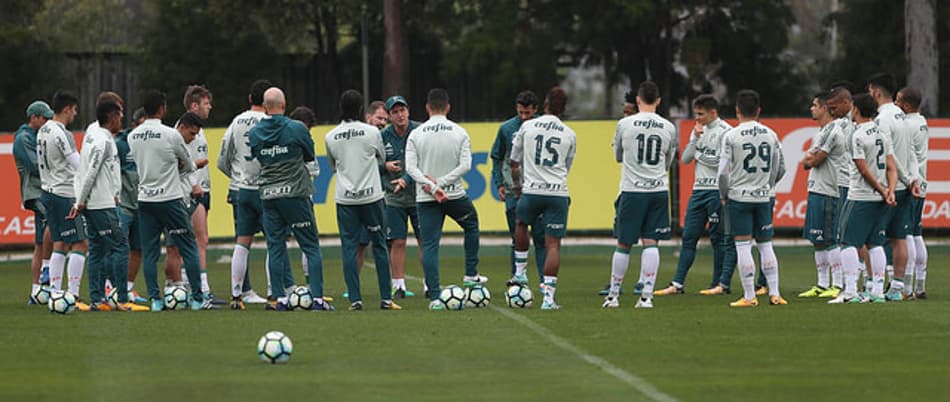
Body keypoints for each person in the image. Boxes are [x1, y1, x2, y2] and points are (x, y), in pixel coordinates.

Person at [250, 87, 333, 311]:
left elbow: (258, 157)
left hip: (268, 195)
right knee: (310, 246)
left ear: (265, 108)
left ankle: (280, 299)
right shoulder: (297, 128)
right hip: (295, 194)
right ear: (284, 105)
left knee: (275, 246)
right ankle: (317, 300)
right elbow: (308, 156)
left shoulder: (255, 133)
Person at [127, 91, 211, 311]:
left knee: (150, 251)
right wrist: (195, 164)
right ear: (162, 109)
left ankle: (155, 300)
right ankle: (197, 299)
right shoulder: (170, 134)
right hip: (170, 199)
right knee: (189, 246)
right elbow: (188, 163)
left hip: (145, 199)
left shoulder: (133, 136)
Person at [405, 88, 487, 310]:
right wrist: (442, 184)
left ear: (427, 108)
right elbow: (466, 166)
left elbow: (410, 168)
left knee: (430, 245)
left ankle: (434, 297)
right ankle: (471, 275)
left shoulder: (416, 133)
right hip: (454, 195)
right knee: (471, 225)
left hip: (426, 197)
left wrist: (432, 186)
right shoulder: (459, 132)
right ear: (448, 107)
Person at [601, 81, 676, 309]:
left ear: (637, 100)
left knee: (624, 243)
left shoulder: (625, 124)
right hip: (658, 190)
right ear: (659, 101)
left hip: (632, 190)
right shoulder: (668, 127)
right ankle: (647, 296)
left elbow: (617, 156)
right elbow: (668, 161)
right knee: (651, 242)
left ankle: (613, 296)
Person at [69, 101, 147, 312]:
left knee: (96, 250)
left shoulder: (93, 134)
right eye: (120, 115)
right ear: (111, 116)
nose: (122, 119)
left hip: (97, 202)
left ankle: (96, 300)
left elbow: (86, 171)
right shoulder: (102, 141)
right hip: (100, 204)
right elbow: (91, 172)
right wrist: (81, 201)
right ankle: (122, 299)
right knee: (121, 246)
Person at [655, 94, 736, 296]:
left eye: (700, 114)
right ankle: (677, 284)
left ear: (712, 112)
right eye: (695, 114)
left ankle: (717, 284)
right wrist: (696, 140)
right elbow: (685, 159)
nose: (697, 118)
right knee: (689, 237)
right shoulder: (698, 130)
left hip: (717, 191)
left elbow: (721, 161)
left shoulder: (727, 132)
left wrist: (698, 151)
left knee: (718, 239)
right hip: (698, 190)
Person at [325, 90, 399, 311]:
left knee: (349, 247)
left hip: (345, 198)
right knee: (379, 246)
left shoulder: (331, 136)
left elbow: (333, 166)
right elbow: (382, 159)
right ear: (360, 110)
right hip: (371, 197)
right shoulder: (371, 132)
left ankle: (355, 300)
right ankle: (386, 299)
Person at [718, 89, 787, 307]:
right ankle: (774, 293)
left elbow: (722, 172)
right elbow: (780, 167)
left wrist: (723, 195)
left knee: (742, 246)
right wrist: (768, 186)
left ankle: (750, 296)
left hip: (739, 197)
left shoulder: (731, 135)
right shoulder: (771, 134)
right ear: (758, 110)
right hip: (763, 197)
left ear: (737, 111)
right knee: (766, 245)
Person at [509, 87, 576, 310]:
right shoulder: (569, 133)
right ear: (563, 110)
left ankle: (519, 272)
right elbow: (566, 167)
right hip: (557, 192)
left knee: (521, 222)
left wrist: (518, 187)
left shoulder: (528, 126)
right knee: (553, 244)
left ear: (545, 105)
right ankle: (548, 299)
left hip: (532, 189)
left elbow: (514, 161)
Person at [828, 93, 897, 304]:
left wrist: (881, 190)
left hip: (860, 196)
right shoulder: (882, 134)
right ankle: (876, 291)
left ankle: (850, 291)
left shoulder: (857, 135)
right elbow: (892, 167)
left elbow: (863, 170)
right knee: (875, 243)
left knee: (847, 242)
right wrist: (890, 191)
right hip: (880, 199)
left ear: (856, 110)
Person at [218, 80, 274, 310]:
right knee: (274, 242)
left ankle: (236, 295)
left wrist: (238, 176)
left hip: (242, 190)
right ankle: (274, 294)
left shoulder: (237, 121)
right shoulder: (271, 122)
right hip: (266, 189)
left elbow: (222, 159)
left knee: (242, 242)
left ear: (251, 98)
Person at [868, 73, 920, 301]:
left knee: (874, 239)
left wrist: (905, 179)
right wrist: (914, 179)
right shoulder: (904, 116)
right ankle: (897, 287)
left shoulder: (881, 119)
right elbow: (912, 153)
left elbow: (891, 157)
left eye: (870, 92)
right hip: (906, 185)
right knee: (900, 237)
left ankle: (875, 287)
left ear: (876, 93)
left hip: (890, 186)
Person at [37, 91, 90, 311]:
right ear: (67, 108)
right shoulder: (61, 133)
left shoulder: (43, 129)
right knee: (80, 243)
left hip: (47, 191)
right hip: (63, 193)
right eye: (75, 110)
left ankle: (55, 293)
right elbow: (76, 164)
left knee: (59, 242)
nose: (75, 115)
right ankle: (73, 295)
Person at [165, 85, 218, 302]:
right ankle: (195, 289)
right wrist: (194, 184)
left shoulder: (199, 129)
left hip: (201, 189)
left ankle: (185, 286)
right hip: (189, 192)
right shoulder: (182, 130)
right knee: (190, 241)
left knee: (197, 240)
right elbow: (181, 162)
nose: (210, 107)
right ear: (194, 105)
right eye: (206, 104)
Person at [490, 90, 546, 288]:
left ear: (536, 110)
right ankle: (517, 279)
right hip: (514, 190)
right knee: (517, 237)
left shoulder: (544, 128)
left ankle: (545, 281)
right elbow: (497, 157)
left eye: (528, 113)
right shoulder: (507, 129)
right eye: (521, 112)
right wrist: (499, 183)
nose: (524, 117)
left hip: (538, 189)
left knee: (541, 238)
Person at [797, 92, 847, 298]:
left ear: (825, 108)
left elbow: (813, 160)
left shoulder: (832, 130)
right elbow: (808, 157)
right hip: (817, 188)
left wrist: (809, 160)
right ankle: (822, 283)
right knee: (817, 238)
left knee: (831, 237)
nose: (811, 108)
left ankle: (837, 283)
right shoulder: (822, 131)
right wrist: (809, 159)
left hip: (828, 189)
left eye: (814, 105)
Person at [380, 95, 423, 299]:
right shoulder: (382, 136)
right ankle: (398, 285)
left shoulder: (420, 130)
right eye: (395, 112)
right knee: (398, 241)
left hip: (420, 195)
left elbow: (424, 160)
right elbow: (371, 162)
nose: (400, 115)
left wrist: (407, 178)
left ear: (408, 111)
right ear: (389, 116)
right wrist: (384, 166)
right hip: (393, 197)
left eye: (402, 110)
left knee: (425, 240)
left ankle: (428, 283)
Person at [14, 101, 54, 304]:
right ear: (34, 118)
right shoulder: (23, 138)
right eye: (44, 118)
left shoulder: (38, 136)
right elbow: (35, 165)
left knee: (40, 242)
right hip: (35, 193)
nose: (47, 122)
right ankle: (45, 280)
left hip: (44, 191)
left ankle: (37, 291)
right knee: (54, 229)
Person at [895, 87, 929, 299]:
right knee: (916, 234)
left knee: (906, 234)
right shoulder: (922, 121)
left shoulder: (907, 124)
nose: (896, 104)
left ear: (906, 105)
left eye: (898, 101)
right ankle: (920, 285)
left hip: (911, 183)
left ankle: (906, 287)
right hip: (922, 182)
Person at [115, 107, 149, 304]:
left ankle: (128, 288)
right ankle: (111, 288)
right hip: (123, 205)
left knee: (138, 248)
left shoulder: (154, 143)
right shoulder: (121, 144)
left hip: (144, 205)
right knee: (118, 246)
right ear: (134, 125)